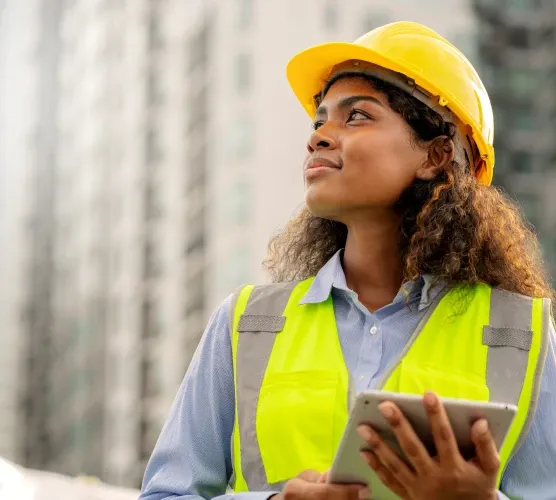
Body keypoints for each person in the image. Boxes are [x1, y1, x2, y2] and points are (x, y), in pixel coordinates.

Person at [139, 21, 556, 500]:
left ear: (436, 155)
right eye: (319, 121)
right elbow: (165, 494)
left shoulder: (520, 334)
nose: (319, 136)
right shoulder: (246, 325)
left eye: (357, 116)